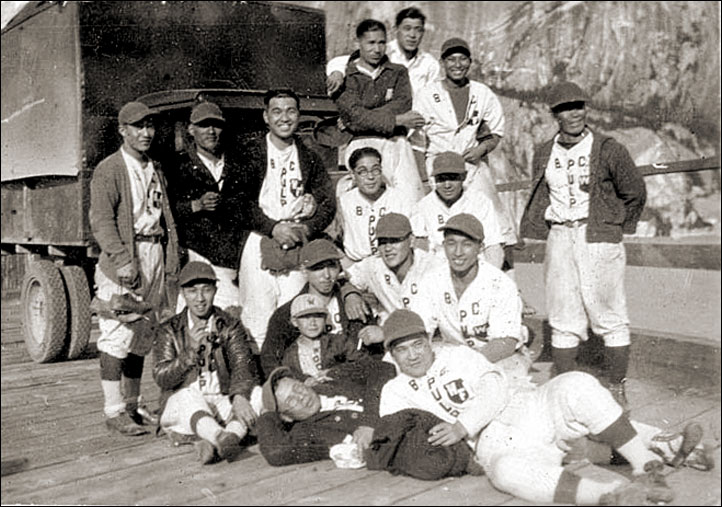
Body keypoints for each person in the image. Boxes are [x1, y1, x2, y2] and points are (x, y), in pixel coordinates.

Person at [379, 309, 712, 505]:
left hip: (524, 408)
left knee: (576, 384)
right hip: (492, 443)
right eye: (403, 350)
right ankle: (613, 495)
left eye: (418, 344)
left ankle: (646, 468)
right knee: (506, 472)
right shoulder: (394, 391)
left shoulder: (455, 355)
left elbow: (494, 387)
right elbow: (396, 437)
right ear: (392, 355)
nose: (413, 355)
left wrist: (460, 426)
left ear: (428, 341)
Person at [519, 81, 647, 408]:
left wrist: (613, 225)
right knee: (563, 315)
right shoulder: (545, 151)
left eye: (578, 105)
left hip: (598, 238)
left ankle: (617, 388)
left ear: (586, 108)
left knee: (610, 315)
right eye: (565, 108)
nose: (573, 113)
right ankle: (565, 390)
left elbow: (634, 192)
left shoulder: (607, 148)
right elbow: (541, 193)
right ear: (554, 114)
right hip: (560, 235)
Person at [89, 101, 180, 436]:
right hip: (125, 257)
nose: (146, 133)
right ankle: (113, 409)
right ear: (122, 130)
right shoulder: (110, 168)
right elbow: (100, 220)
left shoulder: (153, 166)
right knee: (117, 333)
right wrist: (121, 258)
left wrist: (169, 259)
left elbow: (162, 215)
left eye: (150, 126)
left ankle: (132, 403)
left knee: (143, 332)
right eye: (137, 126)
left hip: (153, 251)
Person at [237, 89, 336, 354]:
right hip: (261, 238)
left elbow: (328, 203)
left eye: (291, 111)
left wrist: (307, 227)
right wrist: (272, 227)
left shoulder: (309, 155)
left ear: (299, 116)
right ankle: (263, 387)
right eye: (277, 111)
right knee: (257, 317)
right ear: (266, 116)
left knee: (296, 312)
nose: (284, 117)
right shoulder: (250, 152)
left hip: (296, 240)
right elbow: (237, 202)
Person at [415, 38, 518, 272]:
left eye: (462, 59)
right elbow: (418, 142)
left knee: (497, 222)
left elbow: (496, 132)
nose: (457, 64)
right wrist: (423, 179)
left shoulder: (482, 93)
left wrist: (481, 149)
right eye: (451, 59)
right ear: (442, 63)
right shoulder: (427, 94)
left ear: (470, 62)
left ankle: (507, 282)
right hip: (439, 168)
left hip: (470, 163)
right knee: (435, 225)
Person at [152, 262, 259, 464]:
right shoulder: (169, 328)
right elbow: (162, 378)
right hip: (183, 405)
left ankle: (221, 439)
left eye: (206, 290)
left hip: (221, 399)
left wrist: (239, 396)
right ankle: (224, 436)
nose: (200, 299)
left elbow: (242, 365)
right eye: (192, 291)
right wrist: (190, 352)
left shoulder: (229, 324)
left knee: (258, 394)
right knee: (188, 395)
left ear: (215, 291)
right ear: (182, 293)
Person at [326, 7, 440, 181]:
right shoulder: (383, 52)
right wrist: (335, 71)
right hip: (370, 136)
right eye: (407, 28)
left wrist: (358, 119)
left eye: (418, 30)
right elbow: (345, 61)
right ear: (396, 30)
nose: (412, 35)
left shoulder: (428, 65)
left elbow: (406, 103)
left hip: (409, 136)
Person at [410, 213, 530, 375]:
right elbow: (419, 330)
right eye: (451, 243)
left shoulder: (500, 283)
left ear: (480, 248)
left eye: (467, 244)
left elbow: (505, 343)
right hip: (453, 352)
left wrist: (464, 367)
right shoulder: (432, 281)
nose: (458, 252)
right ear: (443, 245)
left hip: (500, 358)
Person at [333, 19, 425, 204]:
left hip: (396, 145)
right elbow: (354, 115)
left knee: (409, 201)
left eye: (381, 42)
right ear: (357, 43)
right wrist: (397, 120)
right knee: (366, 203)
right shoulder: (346, 76)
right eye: (371, 43)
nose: (377, 49)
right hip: (360, 145)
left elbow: (402, 104)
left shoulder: (398, 72)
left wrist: (361, 118)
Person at [169, 101, 245, 314]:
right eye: (204, 125)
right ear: (191, 130)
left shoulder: (236, 163)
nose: (211, 131)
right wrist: (195, 205)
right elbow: (166, 211)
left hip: (231, 257)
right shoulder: (177, 166)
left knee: (232, 315)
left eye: (216, 125)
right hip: (197, 254)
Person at [260, 239, 369, 380]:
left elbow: (372, 352)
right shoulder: (286, 313)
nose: (327, 275)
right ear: (304, 271)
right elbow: (270, 360)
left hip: (352, 378)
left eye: (332, 266)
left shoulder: (353, 303)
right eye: (318, 268)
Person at [255, 363, 394, 467]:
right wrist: (267, 415)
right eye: (291, 401)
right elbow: (276, 453)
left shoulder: (333, 382)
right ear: (286, 417)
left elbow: (383, 368)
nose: (301, 397)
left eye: (297, 388)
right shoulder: (307, 431)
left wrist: (369, 422)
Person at [341, 212, 440, 346]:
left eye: (395, 241)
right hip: (390, 344)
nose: (388, 248)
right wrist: (350, 294)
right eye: (382, 242)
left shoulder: (432, 266)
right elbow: (344, 278)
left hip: (430, 341)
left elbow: (428, 323)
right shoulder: (374, 265)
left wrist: (386, 332)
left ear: (411, 240)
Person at [411, 151, 505, 268]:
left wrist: (489, 278)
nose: (447, 185)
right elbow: (420, 248)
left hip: (475, 267)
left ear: (463, 176)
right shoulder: (423, 206)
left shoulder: (480, 202)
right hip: (438, 269)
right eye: (441, 179)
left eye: (452, 178)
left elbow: (493, 245)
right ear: (434, 179)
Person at [335, 147, 413, 263]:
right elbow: (334, 240)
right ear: (352, 174)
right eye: (362, 172)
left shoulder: (399, 198)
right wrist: (348, 265)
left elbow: (417, 238)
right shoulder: (345, 201)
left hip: (393, 263)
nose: (370, 177)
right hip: (357, 266)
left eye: (375, 170)